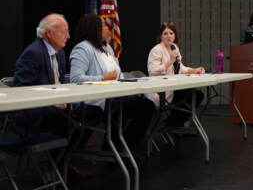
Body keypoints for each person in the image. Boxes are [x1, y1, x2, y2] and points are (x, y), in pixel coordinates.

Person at [11, 13, 102, 176]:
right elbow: (21, 89)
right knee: (69, 124)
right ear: (49, 33)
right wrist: (52, 102)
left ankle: (65, 162)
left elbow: (60, 84)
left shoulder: (59, 53)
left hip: (56, 107)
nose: (68, 36)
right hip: (34, 111)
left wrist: (65, 101)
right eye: (64, 31)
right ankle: (53, 167)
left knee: (92, 112)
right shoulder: (33, 53)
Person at [69, 14, 155, 152]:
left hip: (115, 96)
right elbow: (76, 79)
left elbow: (117, 73)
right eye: (103, 25)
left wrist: (128, 81)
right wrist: (102, 78)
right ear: (94, 28)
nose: (107, 28)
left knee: (147, 106)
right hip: (96, 100)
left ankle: (121, 148)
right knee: (141, 107)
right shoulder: (83, 48)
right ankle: (118, 149)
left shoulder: (107, 47)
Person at [146, 22, 205, 127]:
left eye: (171, 33)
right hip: (160, 91)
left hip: (173, 87)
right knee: (190, 94)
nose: (168, 36)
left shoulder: (174, 47)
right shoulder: (156, 50)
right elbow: (152, 71)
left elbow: (180, 67)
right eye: (165, 33)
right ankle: (172, 124)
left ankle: (174, 123)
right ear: (161, 36)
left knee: (197, 95)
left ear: (175, 35)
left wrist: (194, 70)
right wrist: (170, 60)